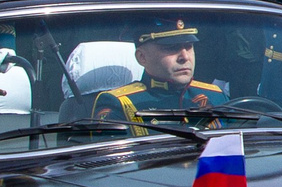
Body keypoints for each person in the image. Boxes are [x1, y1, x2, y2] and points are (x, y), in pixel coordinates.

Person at [91, 20, 230, 123]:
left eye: (188, 47)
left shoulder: (216, 95)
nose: (185, 57)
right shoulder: (121, 103)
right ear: (142, 57)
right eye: (171, 48)